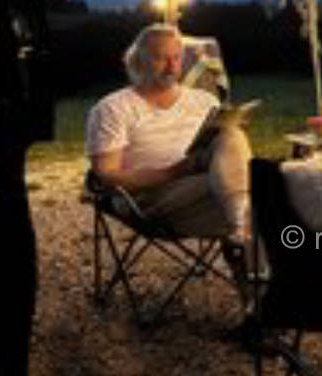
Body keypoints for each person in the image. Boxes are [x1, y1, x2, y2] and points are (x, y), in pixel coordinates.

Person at [85, 23, 253, 282]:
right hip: (149, 198)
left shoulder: (204, 101)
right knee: (262, 202)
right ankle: (259, 295)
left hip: (208, 185)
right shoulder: (112, 109)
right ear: (138, 60)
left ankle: (257, 303)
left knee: (232, 135)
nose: (172, 66)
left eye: (176, 57)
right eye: (160, 58)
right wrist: (172, 172)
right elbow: (106, 176)